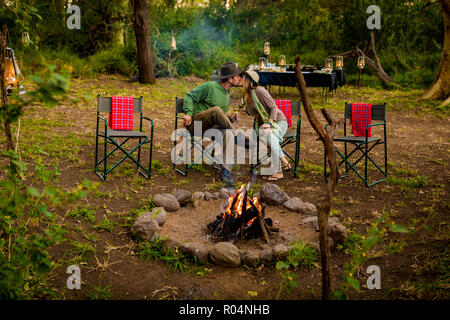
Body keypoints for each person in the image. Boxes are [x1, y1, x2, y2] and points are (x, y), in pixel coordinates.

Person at [182, 62, 243, 186]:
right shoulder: (209, 86)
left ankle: (225, 172)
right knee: (216, 110)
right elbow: (189, 96)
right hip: (196, 125)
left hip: (211, 129)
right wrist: (188, 113)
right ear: (230, 79)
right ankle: (240, 139)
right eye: (237, 76)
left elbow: (220, 119)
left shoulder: (226, 95)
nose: (240, 78)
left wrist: (230, 119)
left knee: (228, 133)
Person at [239, 70, 291, 181]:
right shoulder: (247, 94)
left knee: (267, 133)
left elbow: (274, 108)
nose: (239, 79)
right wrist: (247, 112)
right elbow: (256, 111)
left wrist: (269, 122)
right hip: (263, 126)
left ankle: (279, 170)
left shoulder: (260, 91)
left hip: (278, 122)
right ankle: (283, 162)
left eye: (241, 77)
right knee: (267, 134)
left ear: (248, 80)